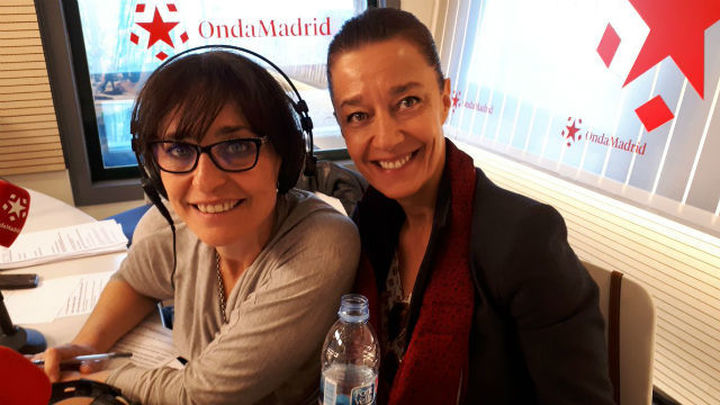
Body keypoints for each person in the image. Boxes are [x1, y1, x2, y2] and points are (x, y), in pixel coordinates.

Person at [326, 8, 614, 404]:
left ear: (445, 100)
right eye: (359, 115)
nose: (387, 138)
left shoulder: (525, 240)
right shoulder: (368, 225)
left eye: (408, 102)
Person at [39, 49, 360, 404]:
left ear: (284, 157)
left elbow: (201, 395)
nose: (205, 182)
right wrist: (87, 347)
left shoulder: (324, 243)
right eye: (178, 149)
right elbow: (135, 282)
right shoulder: (174, 225)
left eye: (236, 146)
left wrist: (94, 378)